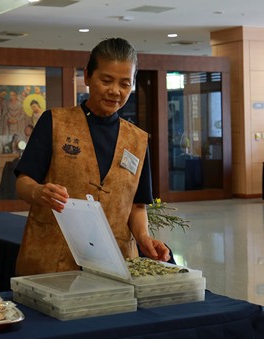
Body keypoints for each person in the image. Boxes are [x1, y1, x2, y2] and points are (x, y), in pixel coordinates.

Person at [14, 37, 171, 276]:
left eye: (125, 84)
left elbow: (137, 205)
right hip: (51, 254)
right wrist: (38, 192)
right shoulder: (55, 122)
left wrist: (144, 237)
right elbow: (23, 182)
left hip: (115, 258)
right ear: (88, 76)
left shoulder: (137, 140)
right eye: (106, 80)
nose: (115, 91)